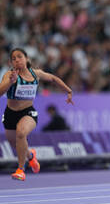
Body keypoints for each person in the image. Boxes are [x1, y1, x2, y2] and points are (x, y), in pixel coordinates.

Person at [0, 48, 74, 181]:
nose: (17, 60)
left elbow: (53, 78)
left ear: (27, 59)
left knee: (21, 133)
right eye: (14, 58)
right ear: (11, 63)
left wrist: (68, 91)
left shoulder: (36, 74)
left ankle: (21, 170)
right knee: (15, 144)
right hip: (10, 113)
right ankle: (31, 156)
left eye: (19, 57)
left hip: (28, 112)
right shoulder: (9, 75)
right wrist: (11, 82)